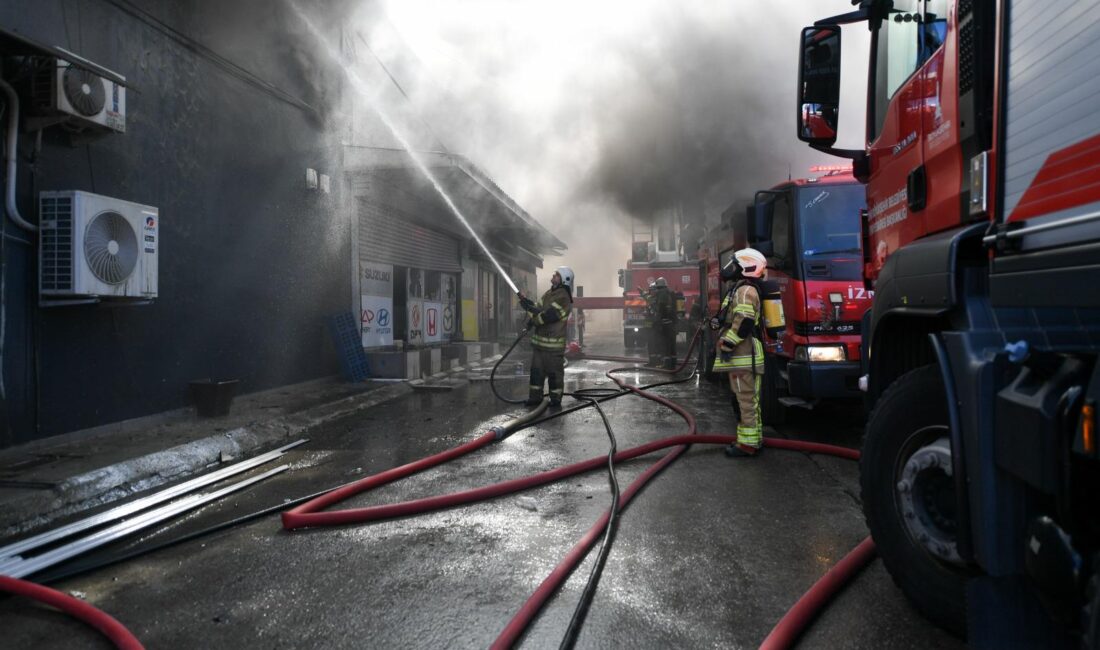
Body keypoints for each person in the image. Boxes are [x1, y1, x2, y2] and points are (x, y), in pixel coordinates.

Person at [711, 248, 768, 457]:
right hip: (745, 356)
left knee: (745, 400)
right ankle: (754, 440)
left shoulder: (745, 291)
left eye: (734, 264)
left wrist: (727, 344)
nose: (729, 269)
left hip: (743, 356)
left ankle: (748, 445)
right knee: (749, 400)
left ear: (746, 267)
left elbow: (744, 322)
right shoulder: (742, 289)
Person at [519, 267, 574, 407]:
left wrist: (535, 319)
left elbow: (550, 315)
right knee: (536, 372)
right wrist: (527, 304)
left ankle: (555, 400)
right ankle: (535, 398)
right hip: (539, 346)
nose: (553, 275)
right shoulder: (549, 293)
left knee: (554, 375)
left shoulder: (564, 297)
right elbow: (538, 309)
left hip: (554, 348)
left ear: (564, 279)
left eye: (556, 275)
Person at [652, 277, 677, 369]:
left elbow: (661, 308)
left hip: (665, 322)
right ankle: (673, 362)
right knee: (672, 343)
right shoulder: (670, 292)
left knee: (665, 344)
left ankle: (666, 364)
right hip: (671, 322)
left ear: (659, 286)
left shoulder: (662, 293)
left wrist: (658, 320)